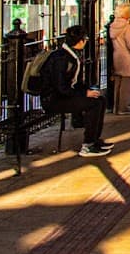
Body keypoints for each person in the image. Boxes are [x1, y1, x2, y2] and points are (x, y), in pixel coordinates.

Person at [39, 25, 112, 157]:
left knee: (100, 100)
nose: (86, 42)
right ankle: (88, 145)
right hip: (53, 100)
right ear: (80, 41)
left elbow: (73, 83)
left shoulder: (70, 55)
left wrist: (88, 91)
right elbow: (61, 87)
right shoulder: (61, 58)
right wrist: (84, 94)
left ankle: (94, 140)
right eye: (85, 39)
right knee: (94, 104)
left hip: (62, 96)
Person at [109, 3, 130, 115]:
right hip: (128, 59)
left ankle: (116, 107)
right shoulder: (127, 28)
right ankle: (124, 108)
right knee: (127, 85)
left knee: (118, 83)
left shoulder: (113, 27)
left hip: (118, 57)